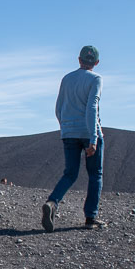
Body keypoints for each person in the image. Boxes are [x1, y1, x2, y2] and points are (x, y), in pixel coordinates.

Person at [42, 45, 105, 232]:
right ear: (96, 62)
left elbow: (58, 107)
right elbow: (92, 107)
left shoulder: (67, 79)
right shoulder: (96, 79)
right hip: (88, 132)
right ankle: (90, 217)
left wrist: (65, 127)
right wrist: (93, 138)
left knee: (70, 173)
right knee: (95, 175)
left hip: (69, 132)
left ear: (79, 60)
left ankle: (52, 202)